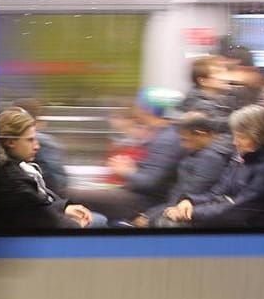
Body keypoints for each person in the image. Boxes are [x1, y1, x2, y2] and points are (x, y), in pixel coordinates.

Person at [70, 93, 187, 225]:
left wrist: (126, 171)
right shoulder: (163, 135)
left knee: (69, 194)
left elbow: (150, 182)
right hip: (138, 195)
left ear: (147, 109)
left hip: (141, 201)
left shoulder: (166, 140)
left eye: (138, 106)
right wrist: (134, 166)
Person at [173, 105, 264, 229]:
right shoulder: (243, 157)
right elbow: (217, 193)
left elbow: (239, 211)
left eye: (241, 137)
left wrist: (192, 213)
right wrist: (190, 201)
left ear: (260, 137)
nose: (235, 142)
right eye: (235, 136)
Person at [0, 107, 98, 230]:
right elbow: (45, 219)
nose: (36, 146)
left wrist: (63, 207)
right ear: (11, 142)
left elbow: (36, 210)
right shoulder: (14, 182)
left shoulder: (18, 169)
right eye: (30, 140)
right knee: (98, 221)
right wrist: (77, 226)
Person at [135, 113, 232, 227]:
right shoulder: (197, 154)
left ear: (200, 134)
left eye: (185, 140)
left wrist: (151, 216)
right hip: (173, 204)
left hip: (191, 209)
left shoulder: (210, 158)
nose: (183, 145)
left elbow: (191, 193)